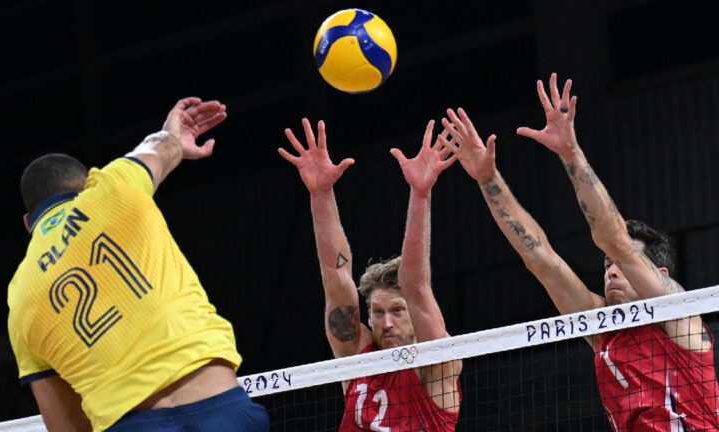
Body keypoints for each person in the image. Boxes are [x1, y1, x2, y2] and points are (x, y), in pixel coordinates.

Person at [440, 73, 719, 431]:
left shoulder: (679, 314)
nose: (611, 271)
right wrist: (487, 179)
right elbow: (542, 260)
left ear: (660, 278)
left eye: (623, 265)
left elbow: (614, 239)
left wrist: (570, 152)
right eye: (606, 266)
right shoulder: (602, 328)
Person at [8, 97, 270, 432]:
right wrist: (174, 133)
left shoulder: (18, 298)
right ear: (86, 182)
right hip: (222, 412)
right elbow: (160, 150)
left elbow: (66, 425)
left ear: (29, 222)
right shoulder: (112, 186)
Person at [278, 119, 463, 431]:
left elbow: (416, 285)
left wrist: (421, 194)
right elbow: (336, 279)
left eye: (397, 311)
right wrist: (321, 193)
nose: (386, 323)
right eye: (377, 312)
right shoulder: (356, 352)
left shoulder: (437, 362)